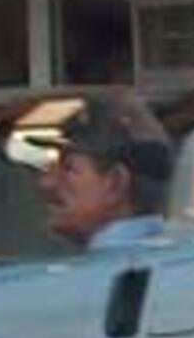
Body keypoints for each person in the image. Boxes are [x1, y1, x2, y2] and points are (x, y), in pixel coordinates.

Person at [36, 91, 171, 250]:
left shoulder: (95, 272)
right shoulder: (176, 258)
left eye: (68, 168)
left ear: (115, 182)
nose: (45, 183)